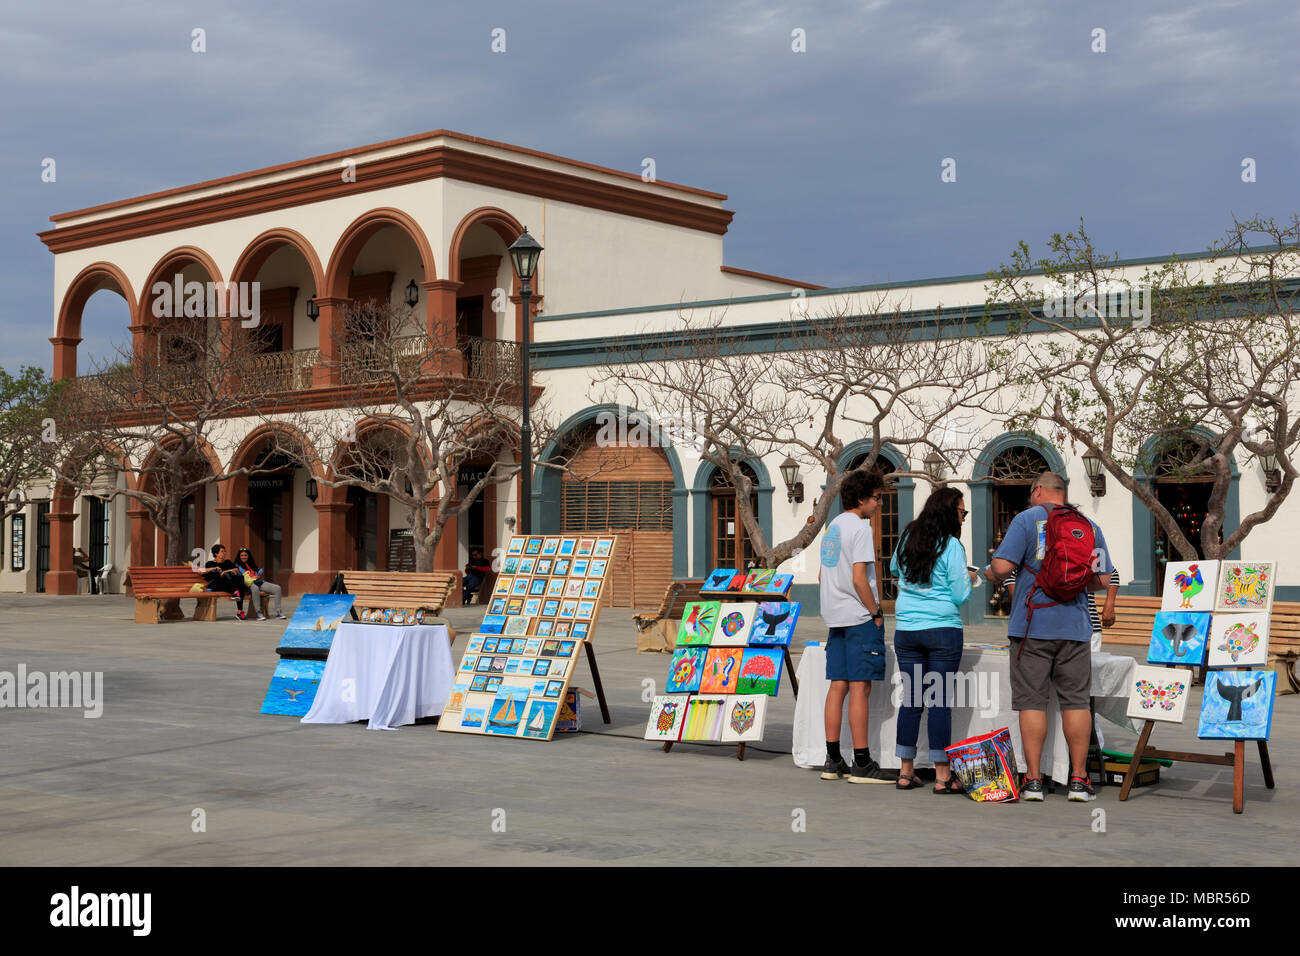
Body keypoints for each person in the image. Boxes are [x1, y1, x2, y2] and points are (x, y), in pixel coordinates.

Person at [983, 472, 1113, 802]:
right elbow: (1101, 579)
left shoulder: (1026, 520)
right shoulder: (1088, 525)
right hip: (1075, 627)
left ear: (1039, 491)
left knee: (1031, 701)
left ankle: (1034, 780)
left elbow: (1001, 567)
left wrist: (991, 573)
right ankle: (1079, 780)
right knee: (1076, 702)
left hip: (1031, 627)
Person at [889, 487, 978, 793]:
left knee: (911, 700)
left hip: (908, 629)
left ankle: (905, 770)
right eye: (962, 512)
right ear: (949, 512)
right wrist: (971, 579)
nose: (964, 518)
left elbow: (893, 569)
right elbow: (958, 594)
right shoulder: (952, 545)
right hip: (942, 630)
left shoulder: (906, 537)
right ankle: (942, 775)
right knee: (939, 701)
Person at [818, 468, 893, 783]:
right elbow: (860, 578)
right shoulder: (861, 528)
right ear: (862, 498)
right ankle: (862, 762)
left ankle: (832, 759)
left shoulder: (832, 527)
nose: (879, 504)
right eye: (877, 498)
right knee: (860, 688)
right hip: (859, 616)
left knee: (838, 686)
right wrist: (875, 611)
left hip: (834, 617)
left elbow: (824, 575)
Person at [1007, 563, 1120, 748]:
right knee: (1077, 698)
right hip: (1067, 628)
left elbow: (1110, 573)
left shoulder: (1078, 542)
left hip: (1060, 629)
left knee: (1070, 697)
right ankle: (1075, 759)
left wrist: (1110, 603)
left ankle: (1090, 745)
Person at [235, 547, 285, 620]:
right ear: (239, 556)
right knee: (255, 588)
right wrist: (253, 577)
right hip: (248, 584)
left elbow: (255, 574)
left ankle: (278, 613)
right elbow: (242, 576)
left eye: (245, 555)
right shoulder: (237, 565)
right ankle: (259, 613)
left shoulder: (251, 564)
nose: (243, 557)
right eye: (242, 555)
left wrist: (258, 574)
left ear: (248, 556)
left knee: (277, 588)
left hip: (258, 581)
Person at [204, 543, 251, 620]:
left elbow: (236, 570)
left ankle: (236, 594)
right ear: (216, 554)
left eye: (224, 551)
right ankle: (240, 611)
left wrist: (226, 571)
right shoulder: (210, 563)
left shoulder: (227, 562)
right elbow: (204, 571)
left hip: (228, 585)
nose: (224, 553)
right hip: (215, 584)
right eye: (222, 551)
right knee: (239, 586)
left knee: (240, 577)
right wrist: (214, 568)